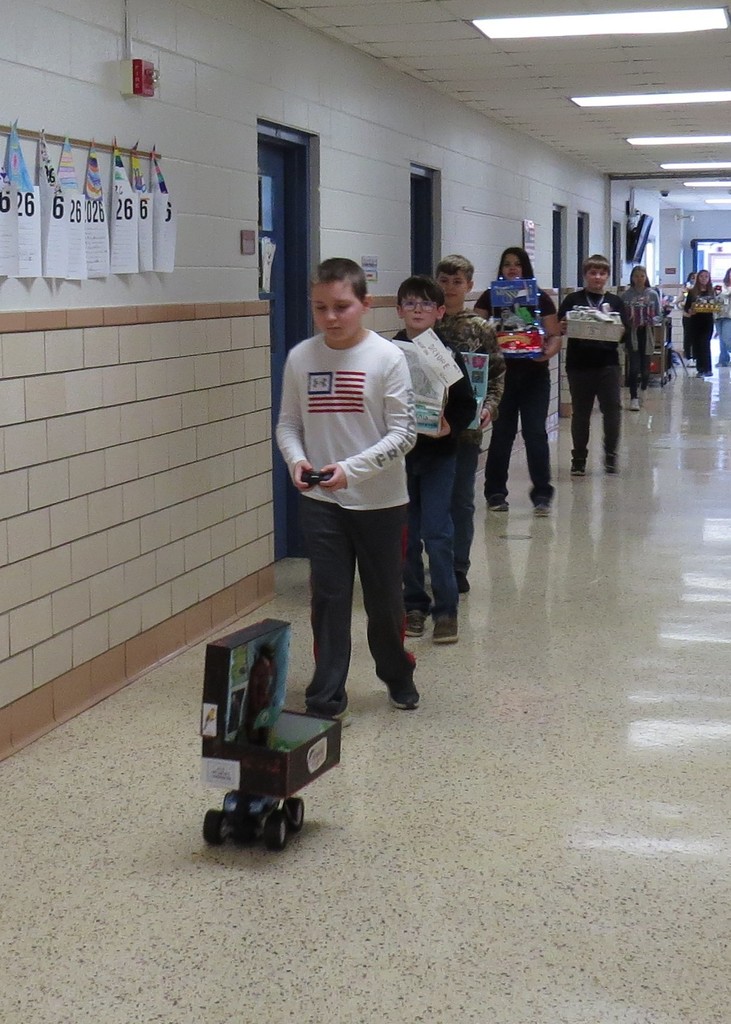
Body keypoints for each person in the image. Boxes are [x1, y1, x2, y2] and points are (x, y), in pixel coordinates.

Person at [275, 257, 420, 718]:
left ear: (365, 304)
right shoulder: (302, 357)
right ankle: (326, 692)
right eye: (320, 308)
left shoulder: (388, 358)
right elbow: (288, 424)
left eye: (341, 306)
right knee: (329, 598)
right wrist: (298, 462)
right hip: (322, 501)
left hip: (380, 503)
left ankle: (397, 675)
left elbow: (404, 433)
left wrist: (351, 471)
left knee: (384, 604)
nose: (331, 318)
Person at [394, 275, 476, 644]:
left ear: (440, 312)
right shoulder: (387, 352)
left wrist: (449, 427)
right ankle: (414, 604)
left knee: (437, 533)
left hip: (439, 455)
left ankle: (446, 610)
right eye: (410, 303)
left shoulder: (447, 354)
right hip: (399, 457)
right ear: (399, 310)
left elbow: (465, 404)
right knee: (406, 535)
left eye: (426, 304)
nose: (417, 310)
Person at [434, 254, 505, 594]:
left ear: (469, 286)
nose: (449, 289)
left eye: (457, 282)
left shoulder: (481, 329)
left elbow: (497, 374)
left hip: (466, 431)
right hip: (428, 431)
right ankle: (432, 563)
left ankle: (458, 566)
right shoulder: (424, 325)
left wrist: (489, 405)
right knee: (429, 501)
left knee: (461, 500)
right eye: (444, 281)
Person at [473, 246, 562, 515]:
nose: (512, 268)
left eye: (517, 264)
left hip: (534, 375)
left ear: (525, 268)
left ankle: (542, 494)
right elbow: (476, 328)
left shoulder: (540, 298)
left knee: (535, 432)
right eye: (507, 264)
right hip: (502, 376)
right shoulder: (490, 296)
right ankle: (495, 492)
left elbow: (555, 335)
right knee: (502, 434)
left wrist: (546, 352)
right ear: (500, 269)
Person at [557, 254, 629, 475]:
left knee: (612, 411)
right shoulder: (573, 300)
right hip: (579, 364)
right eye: (593, 273)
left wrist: (618, 329)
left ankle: (610, 455)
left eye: (602, 273)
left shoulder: (615, 302)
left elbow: (625, 333)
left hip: (608, 364)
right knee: (581, 412)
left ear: (607, 276)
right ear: (585, 275)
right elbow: (560, 327)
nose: (597, 277)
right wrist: (564, 325)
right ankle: (579, 457)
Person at [621, 265, 662, 410]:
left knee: (645, 368)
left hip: (647, 333)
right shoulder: (626, 295)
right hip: (632, 333)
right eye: (636, 276)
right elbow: (621, 316)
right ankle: (633, 397)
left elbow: (659, 314)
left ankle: (644, 387)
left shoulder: (652, 294)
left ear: (646, 278)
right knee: (633, 367)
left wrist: (651, 320)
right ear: (632, 278)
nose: (639, 279)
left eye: (642, 276)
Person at [683, 268, 715, 378]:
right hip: (695, 322)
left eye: (706, 277)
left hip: (707, 322)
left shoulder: (712, 291)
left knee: (705, 344)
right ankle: (700, 369)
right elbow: (687, 307)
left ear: (709, 278)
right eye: (701, 276)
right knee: (696, 345)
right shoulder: (692, 292)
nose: (704, 279)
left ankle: (708, 369)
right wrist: (690, 311)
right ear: (698, 278)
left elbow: (717, 305)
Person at [714, 267, 731, 368]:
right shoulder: (721, 286)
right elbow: (716, 297)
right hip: (718, 315)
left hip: (729, 316)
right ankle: (723, 360)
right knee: (721, 339)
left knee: (726, 338)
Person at [677, 272, 696, 363]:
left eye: (696, 277)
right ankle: (688, 356)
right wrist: (683, 305)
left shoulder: (702, 289)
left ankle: (697, 356)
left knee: (698, 337)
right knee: (688, 336)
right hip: (687, 316)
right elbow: (678, 302)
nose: (694, 279)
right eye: (692, 277)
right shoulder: (684, 289)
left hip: (700, 317)